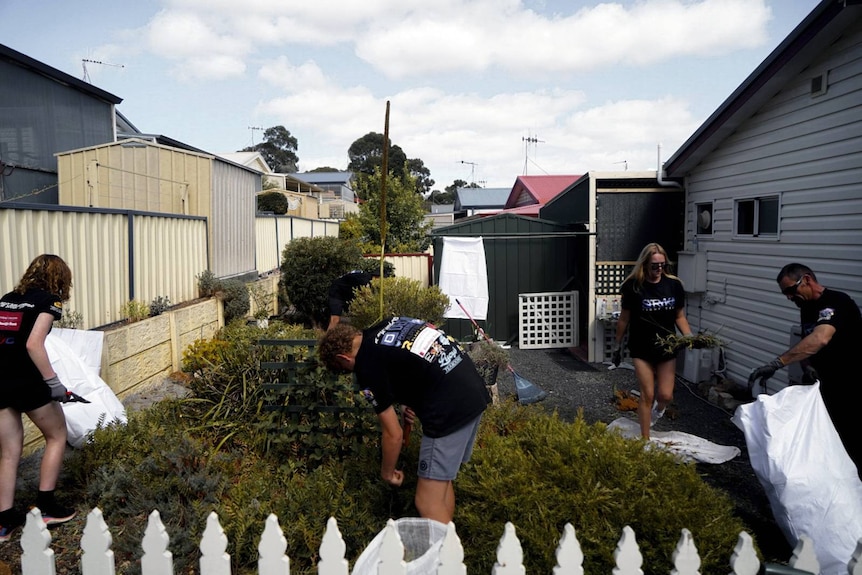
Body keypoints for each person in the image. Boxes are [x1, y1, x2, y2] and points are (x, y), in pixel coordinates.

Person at [318, 317, 491, 523]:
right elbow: (409, 359)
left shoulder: (366, 368)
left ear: (344, 358)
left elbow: (393, 434)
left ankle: (444, 555)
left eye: (346, 370)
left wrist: (387, 473)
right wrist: (407, 400)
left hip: (448, 409)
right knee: (440, 484)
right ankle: (449, 546)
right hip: (471, 388)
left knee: (427, 502)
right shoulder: (384, 325)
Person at [747, 263, 861, 476]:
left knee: (850, 443)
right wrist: (807, 366)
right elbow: (807, 341)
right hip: (825, 385)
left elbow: (820, 338)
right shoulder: (807, 308)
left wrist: (777, 363)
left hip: (851, 384)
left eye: (791, 290)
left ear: (807, 280)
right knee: (824, 440)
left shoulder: (837, 301)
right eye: (785, 293)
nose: (789, 297)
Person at [0, 254, 77, 541]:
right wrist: (54, 384)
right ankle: (47, 507)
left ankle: (3, 523)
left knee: (8, 452)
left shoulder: (7, 298)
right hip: (26, 381)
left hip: (0, 381)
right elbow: (34, 343)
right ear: (60, 279)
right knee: (57, 435)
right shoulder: (48, 301)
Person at [612, 243, 692, 439]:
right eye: (655, 266)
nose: (659, 270)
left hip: (667, 346)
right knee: (647, 394)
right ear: (645, 264)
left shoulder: (674, 285)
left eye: (662, 265)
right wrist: (617, 345)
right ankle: (645, 441)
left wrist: (689, 337)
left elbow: (679, 316)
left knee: (665, 395)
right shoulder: (634, 287)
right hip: (641, 348)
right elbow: (624, 318)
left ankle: (659, 410)